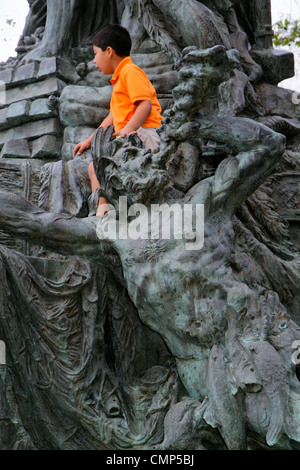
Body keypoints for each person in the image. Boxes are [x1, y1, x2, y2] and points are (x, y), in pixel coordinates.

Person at [72, 24, 163, 216]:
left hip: (142, 134)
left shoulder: (130, 71)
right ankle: (102, 207)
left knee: (102, 166)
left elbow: (145, 105)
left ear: (109, 51)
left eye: (95, 54)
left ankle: (105, 209)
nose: (93, 61)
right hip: (130, 136)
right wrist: (89, 141)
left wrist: (128, 129)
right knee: (95, 166)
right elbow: (112, 117)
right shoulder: (120, 79)